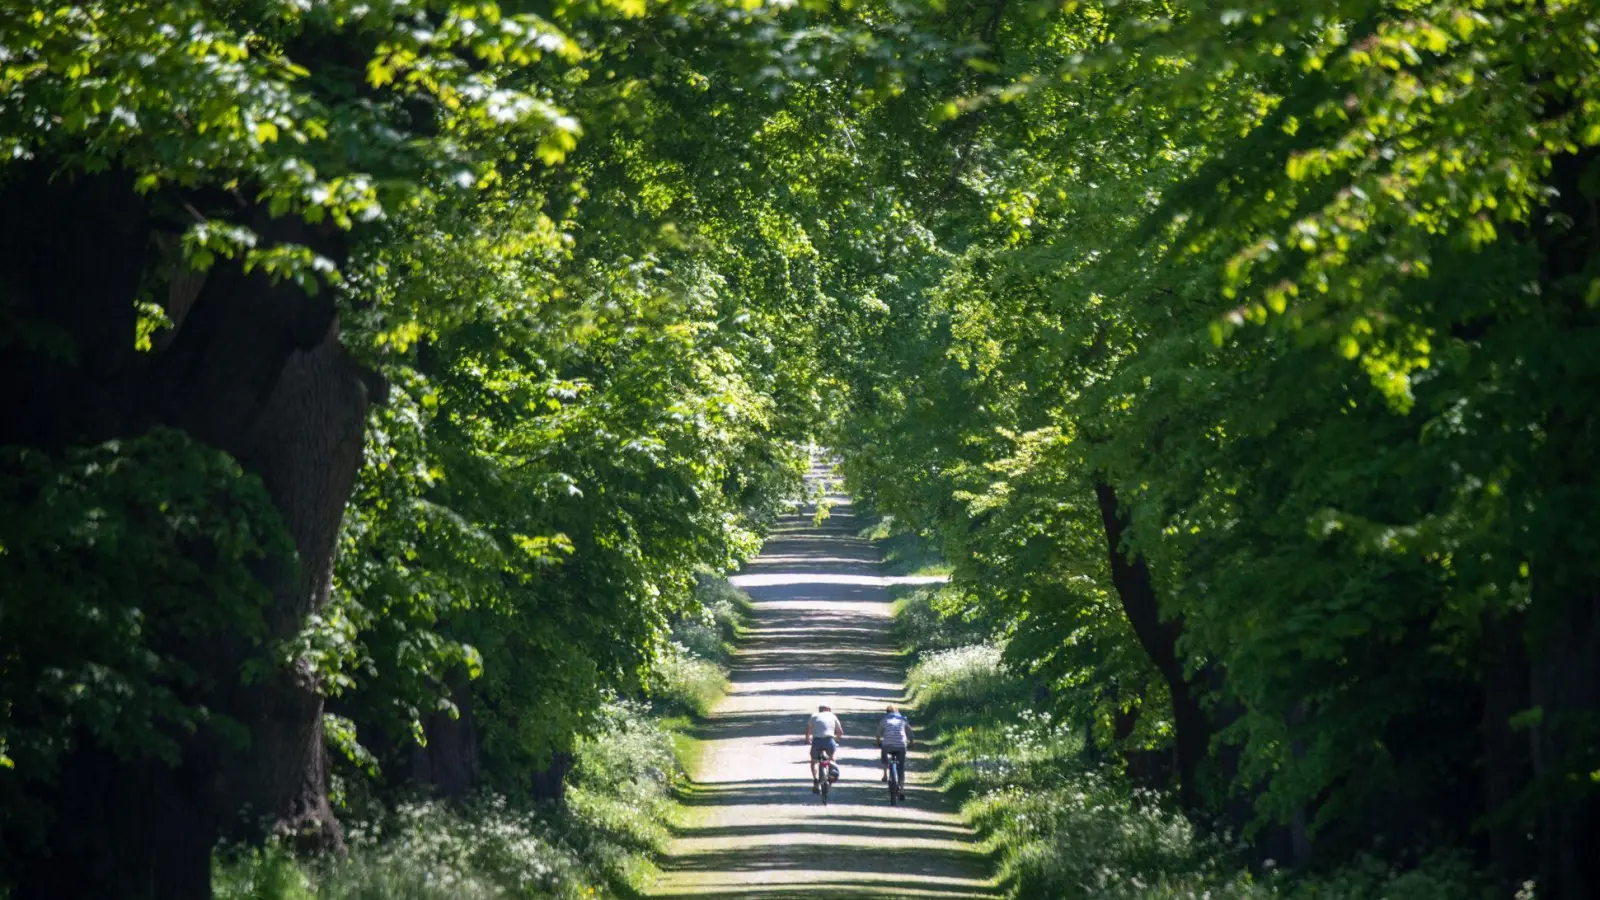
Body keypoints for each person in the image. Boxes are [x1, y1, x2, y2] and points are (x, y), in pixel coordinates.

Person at [805, 703, 845, 793]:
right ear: (829, 709)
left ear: (820, 709)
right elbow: (840, 732)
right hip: (829, 741)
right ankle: (832, 774)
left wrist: (808, 740)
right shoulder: (832, 716)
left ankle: (815, 781)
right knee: (832, 758)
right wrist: (836, 741)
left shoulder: (814, 716)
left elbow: (808, 731)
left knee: (813, 761)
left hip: (817, 742)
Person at [876, 705, 913, 790]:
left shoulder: (884, 720)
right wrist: (911, 743)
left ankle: (885, 774)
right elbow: (910, 734)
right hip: (901, 746)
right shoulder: (903, 720)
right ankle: (902, 789)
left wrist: (878, 743)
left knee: (884, 753)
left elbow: (878, 734)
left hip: (887, 746)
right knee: (901, 767)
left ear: (887, 713)